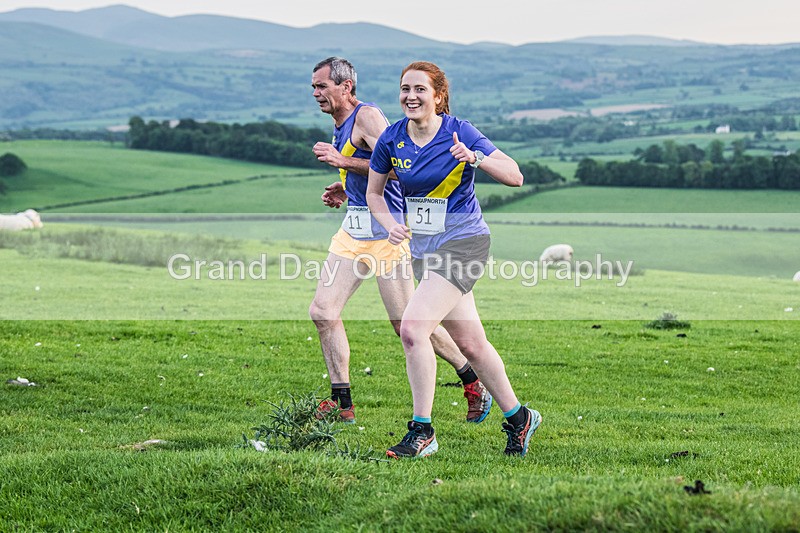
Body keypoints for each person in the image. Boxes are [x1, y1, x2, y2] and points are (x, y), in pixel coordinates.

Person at [367, 61, 542, 458]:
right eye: (404, 88)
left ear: (438, 96)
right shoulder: (392, 140)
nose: (410, 96)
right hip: (425, 251)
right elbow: (375, 193)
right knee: (473, 345)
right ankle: (519, 418)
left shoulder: (459, 131)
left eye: (420, 90)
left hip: (465, 243)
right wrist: (389, 223)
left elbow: (515, 176)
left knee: (412, 328)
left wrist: (475, 158)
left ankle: (422, 431)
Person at [308, 56, 492, 425]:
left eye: (322, 86)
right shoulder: (339, 123)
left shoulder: (368, 117)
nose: (316, 93)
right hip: (353, 231)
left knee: (405, 324)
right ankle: (342, 403)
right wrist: (345, 187)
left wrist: (344, 165)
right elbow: (367, 170)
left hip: (388, 234)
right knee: (323, 312)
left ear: (345, 87)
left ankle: (471, 379)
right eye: (314, 87)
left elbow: (396, 168)